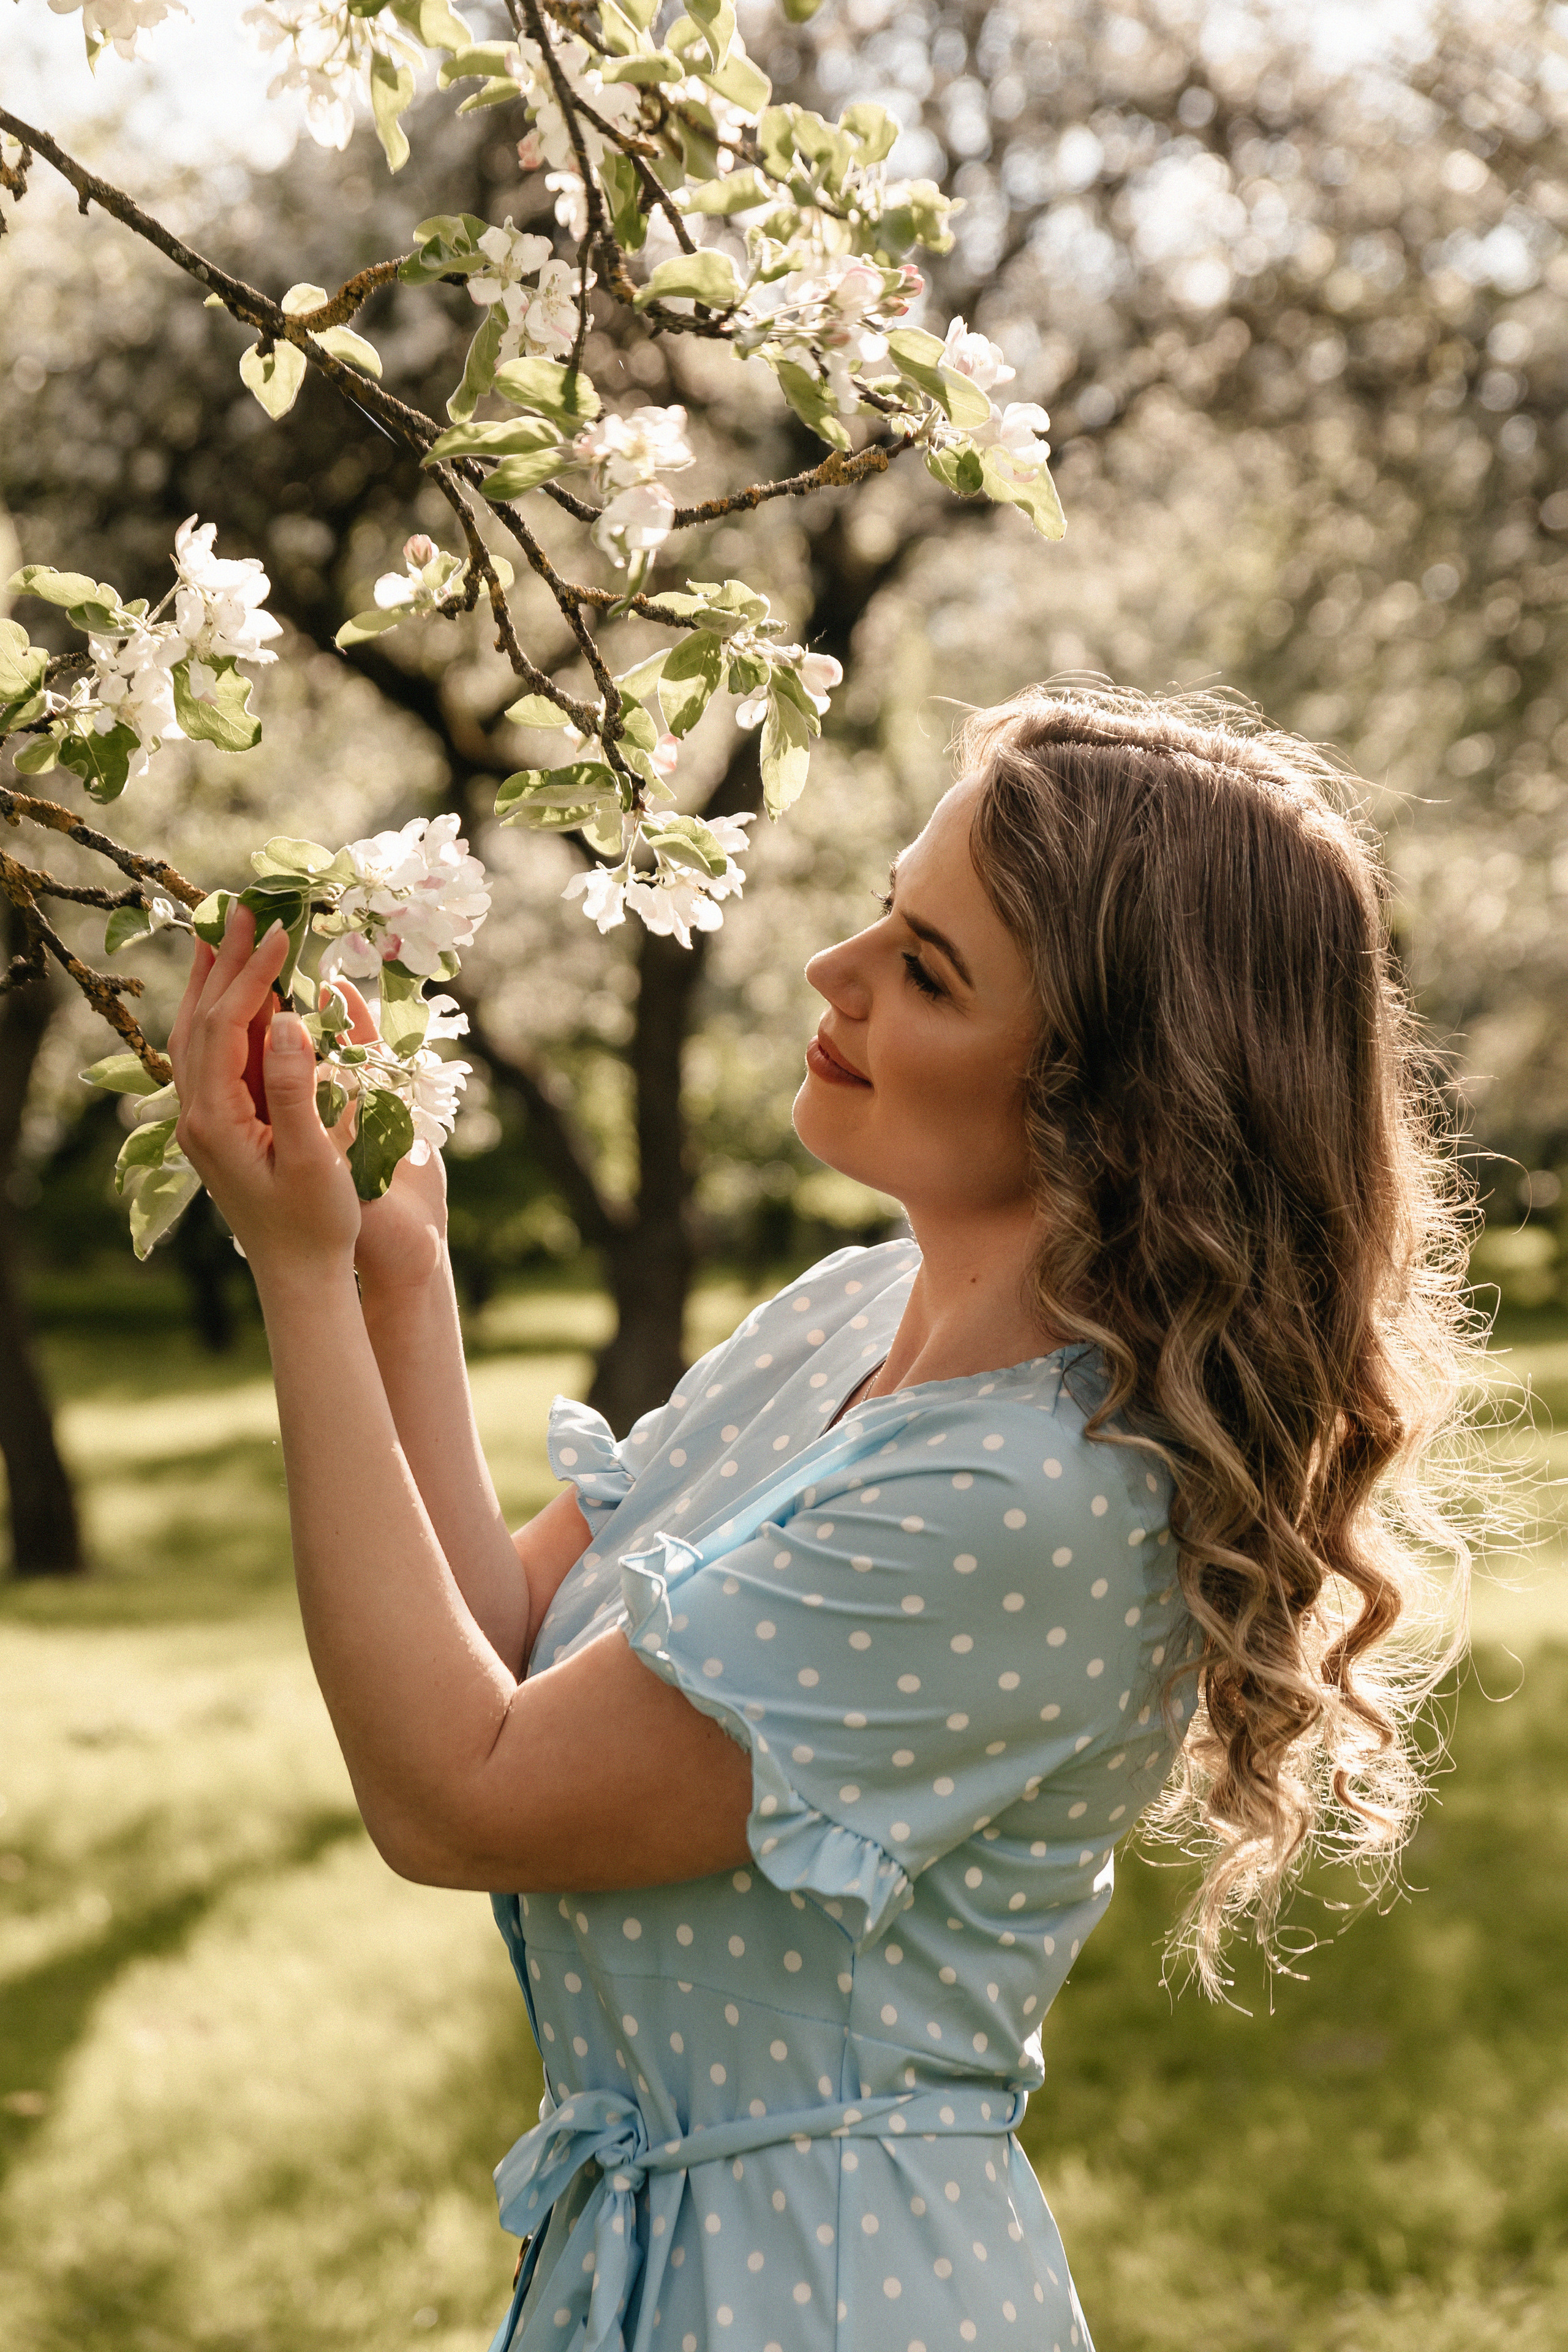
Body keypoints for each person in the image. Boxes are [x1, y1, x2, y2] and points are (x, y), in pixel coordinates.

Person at [171, 685, 1472, 2352]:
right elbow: (503, 1656)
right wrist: (387, 1266)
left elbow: (459, 1799)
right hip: (647, 2266)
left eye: (926, 971)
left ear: (1115, 1100)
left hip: (830, 2291)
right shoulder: (851, 1315)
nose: (829, 975)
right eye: (886, 908)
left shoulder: (1034, 1500)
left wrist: (287, 1277)